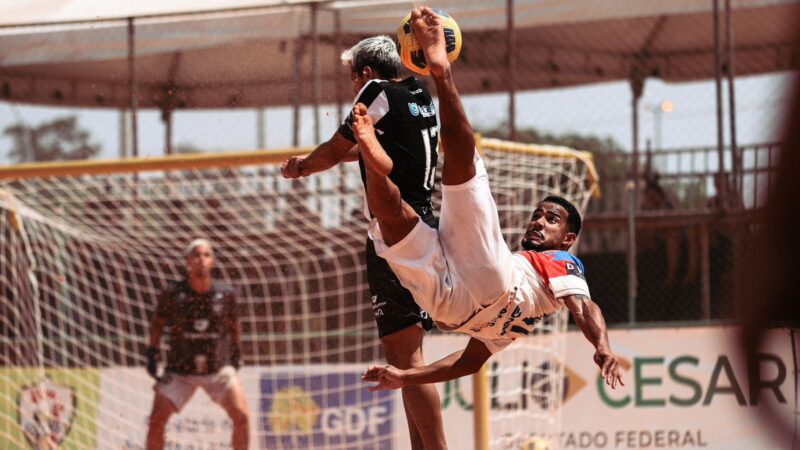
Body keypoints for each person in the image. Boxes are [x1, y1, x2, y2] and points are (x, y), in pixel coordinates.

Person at [360, 7, 624, 390]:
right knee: (393, 222)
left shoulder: (562, 261)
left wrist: (601, 345)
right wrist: (407, 377)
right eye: (538, 215)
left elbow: (584, 306)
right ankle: (374, 155)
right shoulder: (521, 322)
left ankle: (440, 76)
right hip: (455, 308)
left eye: (552, 219)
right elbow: (467, 363)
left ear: (568, 240)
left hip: (490, 282)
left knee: (454, 176)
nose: (538, 221)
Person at [281, 35, 447, 449]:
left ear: (366, 73)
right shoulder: (418, 92)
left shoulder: (375, 91)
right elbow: (372, 149)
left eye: (353, 78)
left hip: (396, 232)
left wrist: (301, 168)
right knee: (407, 360)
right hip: (426, 227)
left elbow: (337, 148)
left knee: (406, 361)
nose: (353, 88)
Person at [145, 239, 249, 450]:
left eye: (206, 255)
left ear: (212, 262)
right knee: (156, 420)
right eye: (196, 255)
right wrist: (152, 352)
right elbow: (157, 323)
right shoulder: (173, 293)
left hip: (217, 369)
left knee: (242, 416)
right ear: (187, 262)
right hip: (180, 370)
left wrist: (237, 351)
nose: (201, 259)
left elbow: (234, 324)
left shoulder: (225, 294)